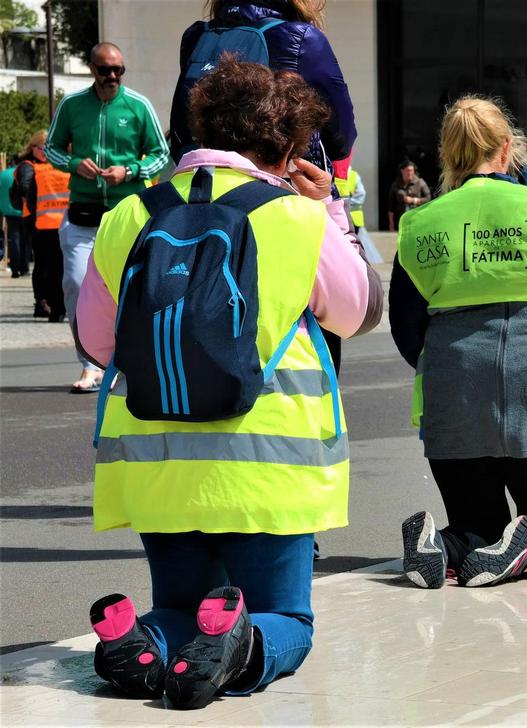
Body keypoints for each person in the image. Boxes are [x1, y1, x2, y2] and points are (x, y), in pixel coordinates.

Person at [75, 59, 382, 710]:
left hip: (157, 468)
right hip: (268, 468)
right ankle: (241, 647)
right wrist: (329, 208)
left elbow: (98, 344)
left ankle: (132, 637)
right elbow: (356, 312)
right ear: (287, 147)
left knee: (182, 607)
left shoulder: (129, 215)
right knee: (283, 617)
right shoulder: (295, 217)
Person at [389, 95, 527, 589]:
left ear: (448, 156)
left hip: (452, 392)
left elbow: (406, 327)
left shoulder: (420, 223)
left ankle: (438, 547)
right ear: (507, 149)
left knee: (473, 525)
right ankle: (523, 551)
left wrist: (447, 371)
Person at [44, 42, 170, 393]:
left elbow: (161, 154)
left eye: (118, 70)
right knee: (75, 282)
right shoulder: (72, 105)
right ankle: (91, 365)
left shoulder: (138, 105)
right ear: (92, 69)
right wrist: (73, 163)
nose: (112, 76)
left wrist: (130, 170)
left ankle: (129, 362)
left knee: (132, 287)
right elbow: (51, 148)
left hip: (125, 212)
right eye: (105, 70)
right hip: (82, 213)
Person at [169, 0, 357, 180]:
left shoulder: (197, 35)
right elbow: (341, 139)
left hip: (202, 184)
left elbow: (180, 130)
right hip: (281, 186)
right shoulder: (300, 37)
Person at [11, 130, 69, 323]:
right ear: (32, 147)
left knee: (51, 265)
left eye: (48, 148)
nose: (44, 152)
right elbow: (24, 188)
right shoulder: (29, 166)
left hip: (52, 221)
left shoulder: (54, 166)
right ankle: (43, 302)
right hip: (36, 222)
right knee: (45, 265)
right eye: (41, 148)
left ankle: (47, 303)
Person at [0, 160, 26, 281]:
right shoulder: (26, 172)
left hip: (8, 211)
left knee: (13, 240)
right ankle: (24, 267)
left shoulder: (3, 174)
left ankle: (15, 268)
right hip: (25, 211)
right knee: (26, 240)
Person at [387, 160, 430, 231]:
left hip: (417, 219)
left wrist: (414, 200)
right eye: (408, 170)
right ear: (402, 171)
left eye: (411, 170)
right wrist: (391, 224)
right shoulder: (396, 185)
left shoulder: (420, 182)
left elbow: (428, 199)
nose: (410, 173)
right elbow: (391, 206)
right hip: (401, 221)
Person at [335, 166, 366, 232]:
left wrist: (343, 202)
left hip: (352, 218)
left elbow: (361, 194)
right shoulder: (353, 175)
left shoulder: (354, 175)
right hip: (341, 217)